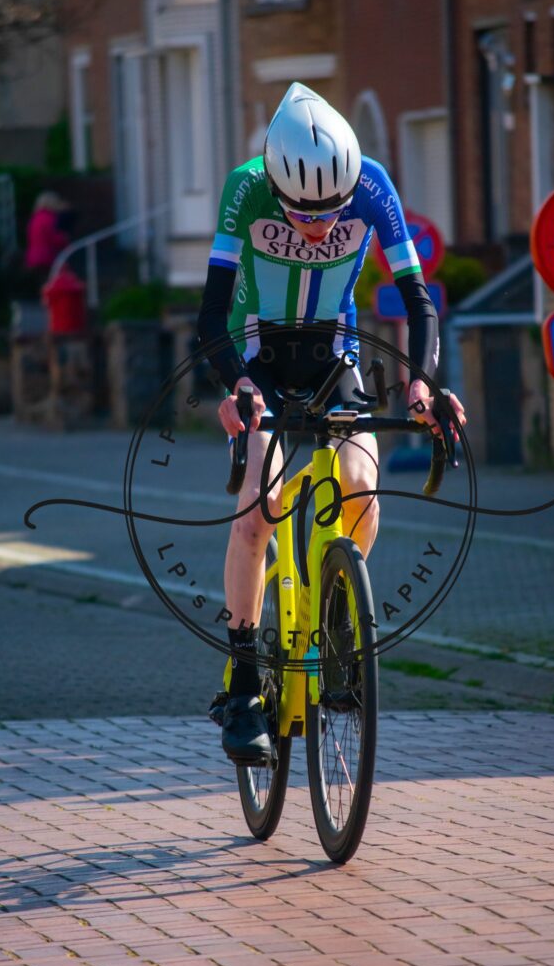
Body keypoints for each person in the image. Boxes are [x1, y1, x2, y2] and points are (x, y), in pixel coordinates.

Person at [198, 82, 466, 764]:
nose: (317, 228)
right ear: (275, 186)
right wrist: (235, 385)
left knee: (361, 488)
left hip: (333, 356)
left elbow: (418, 300)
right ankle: (243, 686)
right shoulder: (245, 188)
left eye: (332, 213)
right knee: (257, 509)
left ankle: (338, 622)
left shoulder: (372, 184)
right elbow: (210, 315)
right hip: (257, 355)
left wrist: (422, 381)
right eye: (300, 215)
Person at [24, 192, 71, 291]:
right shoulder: (49, 218)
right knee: (51, 286)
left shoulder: (35, 218)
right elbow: (55, 238)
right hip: (47, 257)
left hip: (34, 257)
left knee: (43, 285)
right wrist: (65, 240)